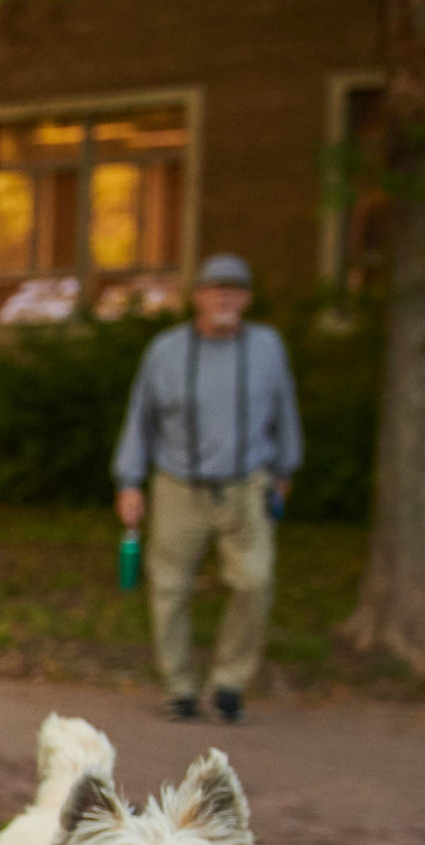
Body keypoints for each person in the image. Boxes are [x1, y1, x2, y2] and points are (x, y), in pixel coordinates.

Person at [112, 254, 303, 724]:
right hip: (179, 484)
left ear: (247, 299)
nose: (225, 297)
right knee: (169, 587)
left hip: (247, 485)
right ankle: (179, 687)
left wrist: (285, 469)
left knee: (255, 580)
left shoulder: (266, 346)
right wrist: (129, 480)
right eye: (216, 288)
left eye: (235, 290)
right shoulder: (166, 350)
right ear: (197, 296)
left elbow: (284, 409)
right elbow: (142, 417)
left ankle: (229, 683)